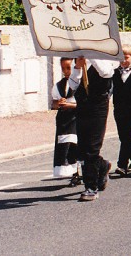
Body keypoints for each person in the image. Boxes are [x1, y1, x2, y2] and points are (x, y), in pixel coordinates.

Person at [71, 56, 114, 202]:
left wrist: (91, 56)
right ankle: (102, 165)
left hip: (98, 106)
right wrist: (77, 67)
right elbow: (72, 85)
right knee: (82, 148)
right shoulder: (79, 61)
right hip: (82, 106)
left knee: (92, 148)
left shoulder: (103, 59)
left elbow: (106, 73)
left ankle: (91, 187)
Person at [112, 44, 131, 176]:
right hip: (118, 107)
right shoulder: (115, 73)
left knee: (127, 134)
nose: (123, 60)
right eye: (121, 57)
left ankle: (122, 164)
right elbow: (110, 90)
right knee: (123, 135)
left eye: (126, 57)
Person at [50, 57, 80, 185]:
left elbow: (85, 104)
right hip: (64, 119)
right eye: (63, 68)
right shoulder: (59, 85)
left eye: (68, 68)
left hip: (77, 117)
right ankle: (74, 173)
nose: (66, 71)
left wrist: (70, 105)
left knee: (75, 145)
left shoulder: (80, 83)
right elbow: (54, 104)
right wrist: (59, 103)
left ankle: (80, 172)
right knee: (66, 147)